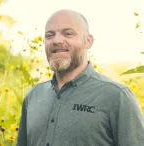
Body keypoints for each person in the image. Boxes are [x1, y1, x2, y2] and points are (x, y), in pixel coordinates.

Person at [17, 9, 144, 146]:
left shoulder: (117, 97)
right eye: (49, 35)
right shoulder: (33, 96)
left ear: (88, 41)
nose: (57, 40)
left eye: (68, 33)